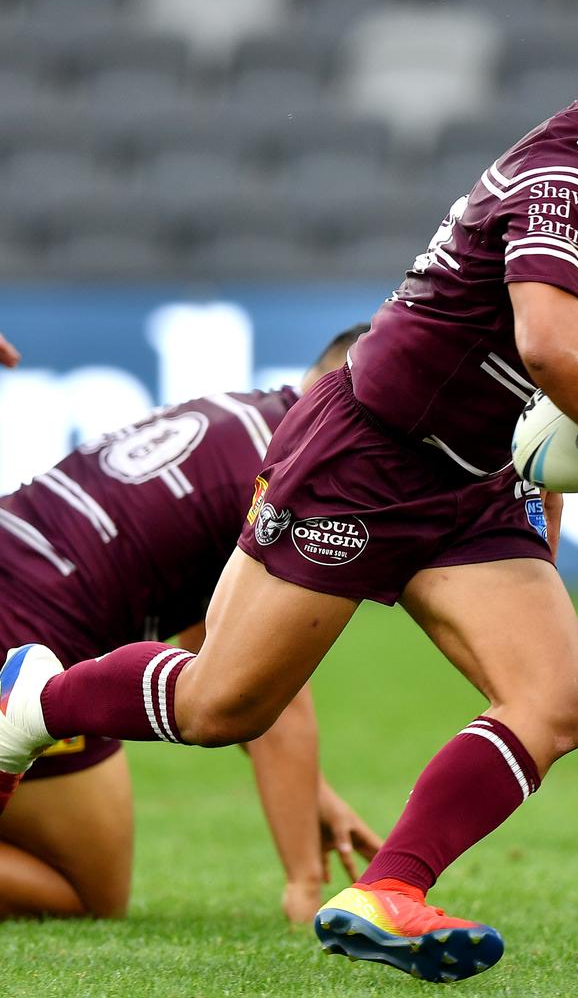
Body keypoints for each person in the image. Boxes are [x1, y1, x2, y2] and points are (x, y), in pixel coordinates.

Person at [0, 0, 578, 983]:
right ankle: (36, 700)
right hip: (369, 454)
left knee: (555, 699)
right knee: (226, 706)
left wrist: (566, 491)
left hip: (470, 474)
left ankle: (391, 888)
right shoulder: (567, 181)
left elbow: (554, 374)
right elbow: (551, 344)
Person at [0, 324, 380, 921]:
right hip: (28, 633)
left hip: (25, 584)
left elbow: (212, 648)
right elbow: (268, 690)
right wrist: (307, 883)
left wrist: (313, 797)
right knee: (85, 893)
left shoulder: (249, 419)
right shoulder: (298, 474)